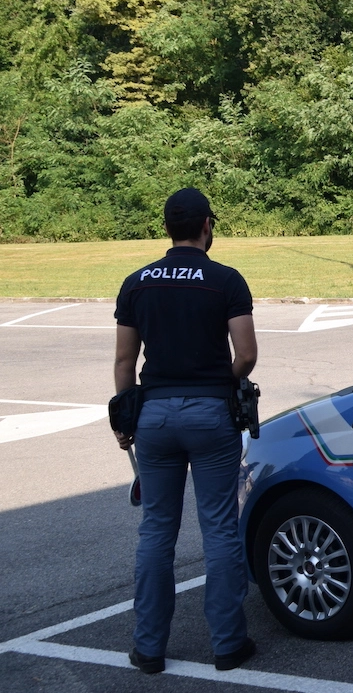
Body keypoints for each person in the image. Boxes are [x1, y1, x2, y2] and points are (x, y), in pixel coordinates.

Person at [111, 188, 258, 674]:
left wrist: (127, 414)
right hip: (211, 413)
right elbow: (247, 355)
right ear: (206, 226)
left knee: (156, 529)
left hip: (153, 414)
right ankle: (227, 646)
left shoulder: (136, 283)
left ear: (169, 227)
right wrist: (221, 383)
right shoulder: (225, 280)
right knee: (218, 527)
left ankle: (148, 648)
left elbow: (124, 362)